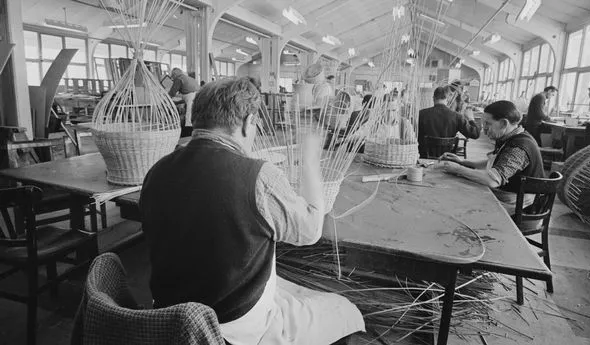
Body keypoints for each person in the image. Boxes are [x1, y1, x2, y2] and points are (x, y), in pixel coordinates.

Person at [140, 77, 365, 345]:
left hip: (168, 315)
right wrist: (309, 155)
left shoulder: (156, 171)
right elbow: (310, 230)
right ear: (248, 122)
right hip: (230, 329)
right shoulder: (259, 177)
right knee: (344, 309)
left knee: (286, 289)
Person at [437, 100, 545, 213]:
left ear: (504, 123)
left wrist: (457, 169)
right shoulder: (510, 137)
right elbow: (496, 161)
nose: (484, 129)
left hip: (522, 207)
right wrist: (463, 162)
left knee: (462, 205)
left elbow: (492, 181)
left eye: (488, 124)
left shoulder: (519, 148)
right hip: (511, 196)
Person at [418, 87, 480, 157]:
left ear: (433, 98)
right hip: (446, 156)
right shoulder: (457, 116)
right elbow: (475, 134)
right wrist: (471, 119)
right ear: (447, 99)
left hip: (423, 156)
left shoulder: (421, 114)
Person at [168, 68, 200, 137]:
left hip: (191, 98)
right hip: (199, 96)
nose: (172, 78)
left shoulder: (179, 79)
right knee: (195, 115)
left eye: (172, 76)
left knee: (189, 117)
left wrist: (166, 100)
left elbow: (172, 93)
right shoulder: (189, 78)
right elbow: (187, 94)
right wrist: (178, 102)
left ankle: (187, 134)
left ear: (175, 74)